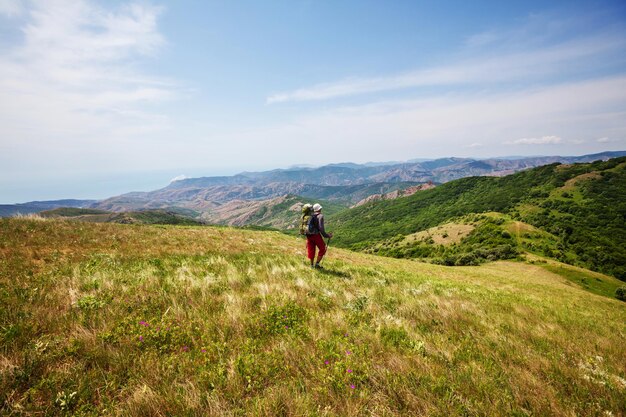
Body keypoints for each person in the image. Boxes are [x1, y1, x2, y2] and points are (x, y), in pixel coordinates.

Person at [307, 203, 333, 269]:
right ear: (320, 209)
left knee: (311, 249)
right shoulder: (320, 216)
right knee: (322, 248)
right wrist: (327, 236)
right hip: (316, 235)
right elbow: (321, 228)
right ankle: (317, 264)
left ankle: (311, 265)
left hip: (308, 235)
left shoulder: (310, 215)